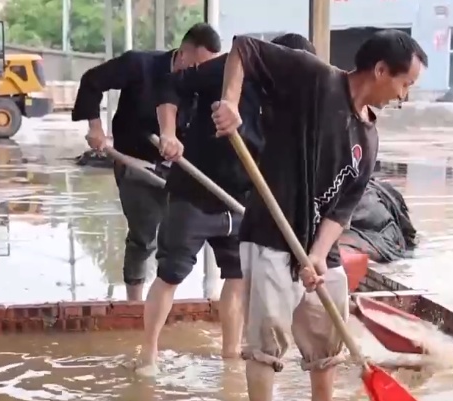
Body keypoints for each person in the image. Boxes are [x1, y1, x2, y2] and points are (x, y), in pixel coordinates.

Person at [211, 30, 427, 401]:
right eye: (404, 84)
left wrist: (317, 254)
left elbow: (342, 209)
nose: (403, 96)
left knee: (327, 348)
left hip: (319, 250)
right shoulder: (314, 77)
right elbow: (244, 48)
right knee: (267, 344)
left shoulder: (369, 138)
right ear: (380, 70)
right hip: (272, 234)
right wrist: (230, 103)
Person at [133, 32, 318, 375]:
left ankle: (230, 353)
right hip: (195, 191)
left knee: (237, 278)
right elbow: (169, 87)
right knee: (171, 274)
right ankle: (149, 353)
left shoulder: (299, 93)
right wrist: (170, 133)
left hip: (244, 199)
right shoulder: (228, 70)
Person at [71, 23, 221, 301]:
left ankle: (164, 300)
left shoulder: (206, 81)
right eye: (200, 64)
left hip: (180, 166)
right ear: (185, 54)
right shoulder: (140, 64)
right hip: (134, 163)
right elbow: (92, 81)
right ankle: (134, 303)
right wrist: (96, 128)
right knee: (144, 235)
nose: (205, 73)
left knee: (180, 233)